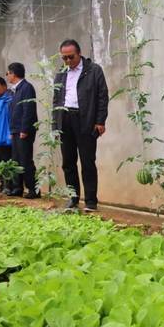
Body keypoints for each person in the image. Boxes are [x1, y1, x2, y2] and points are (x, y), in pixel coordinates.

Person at [53, 39, 109, 211]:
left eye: (71, 57)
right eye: (64, 58)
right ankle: (73, 199)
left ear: (79, 53)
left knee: (87, 162)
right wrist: (55, 125)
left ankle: (91, 201)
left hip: (86, 120)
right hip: (65, 119)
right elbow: (56, 99)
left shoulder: (93, 70)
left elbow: (102, 96)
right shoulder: (61, 73)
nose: (68, 61)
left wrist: (100, 120)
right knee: (68, 162)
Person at [6, 62, 39, 199]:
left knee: (25, 160)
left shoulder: (27, 88)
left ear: (14, 74)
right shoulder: (15, 90)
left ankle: (33, 189)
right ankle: (17, 188)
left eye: (8, 73)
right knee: (16, 160)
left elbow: (28, 110)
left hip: (23, 130)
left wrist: (24, 129)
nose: (7, 76)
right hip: (16, 130)